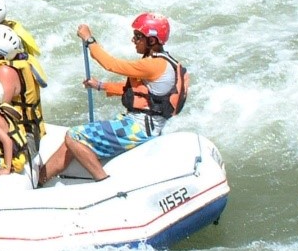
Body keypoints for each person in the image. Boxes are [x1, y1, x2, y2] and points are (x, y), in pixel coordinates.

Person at [31, 12, 187, 188]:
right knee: (69, 145)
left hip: (139, 128)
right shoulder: (161, 62)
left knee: (74, 136)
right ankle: (38, 183)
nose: (133, 40)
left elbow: (111, 64)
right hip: (143, 123)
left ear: (152, 40)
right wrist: (101, 86)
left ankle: (104, 183)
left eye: (138, 37)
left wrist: (89, 40)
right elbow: (139, 94)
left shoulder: (153, 65)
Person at [0, 24, 46, 173]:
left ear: (0, 55)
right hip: (21, 133)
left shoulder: (5, 73)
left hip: (24, 141)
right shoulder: (14, 61)